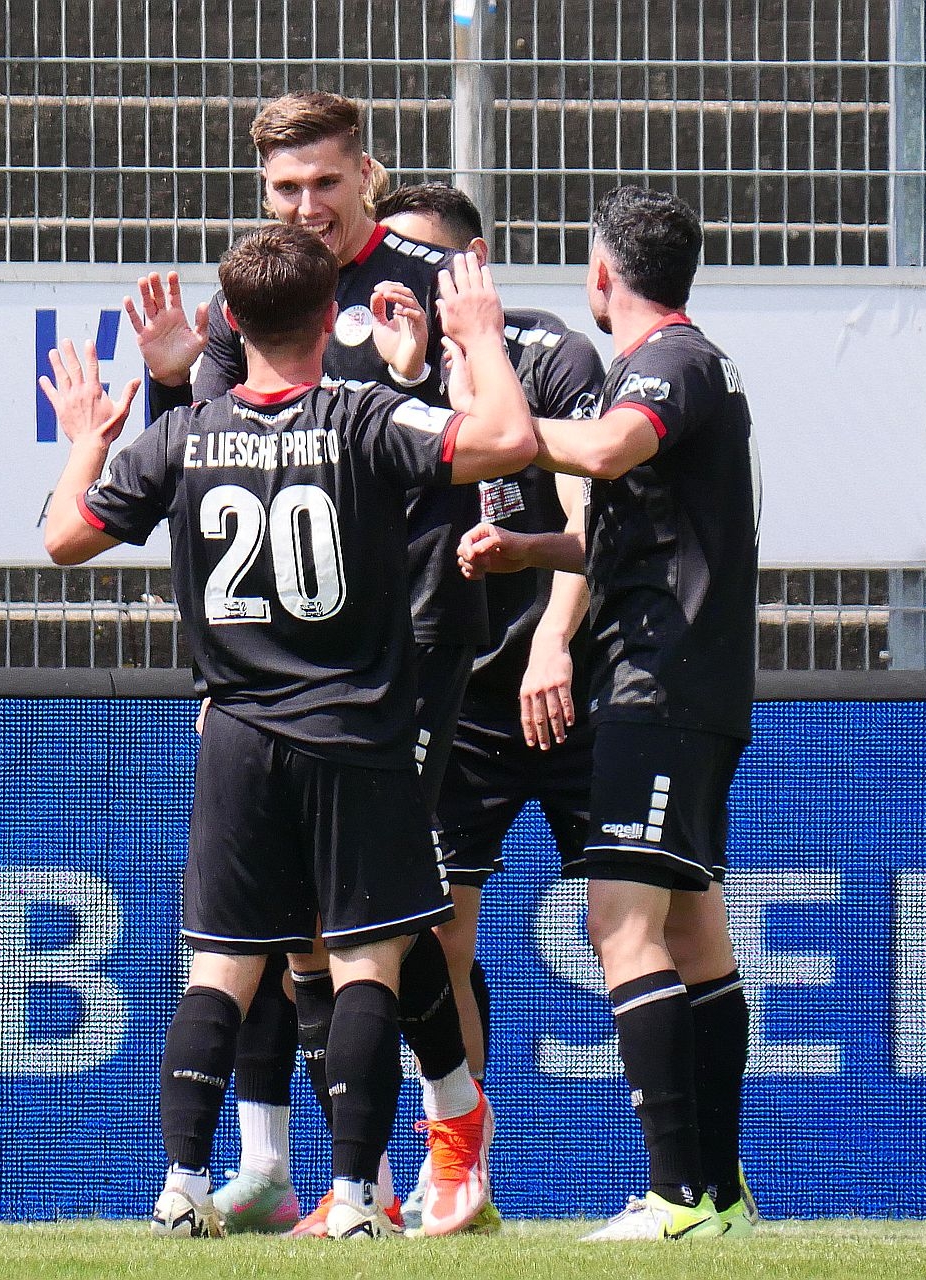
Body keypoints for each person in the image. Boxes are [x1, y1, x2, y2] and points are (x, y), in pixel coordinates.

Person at [45, 222, 534, 1240]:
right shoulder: (361, 417)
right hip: (354, 731)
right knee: (366, 963)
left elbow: (63, 537)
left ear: (230, 320)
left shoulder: (187, 435)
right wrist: (481, 338)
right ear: (330, 317)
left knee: (220, 968)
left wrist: (89, 433)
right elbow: (508, 440)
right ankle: (355, 1197)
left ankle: (182, 1186)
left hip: (235, 732)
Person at [130, 91, 492, 1237]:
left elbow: (483, 436)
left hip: (408, 639)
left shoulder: (423, 282)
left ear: (366, 174)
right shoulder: (258, 295)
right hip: (274, 663)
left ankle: (430, 1143)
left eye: (324, 182)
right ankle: (287, 1165)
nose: (305, 205)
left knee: (371, 919)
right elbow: (212, 454)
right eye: (285, 187)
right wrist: (169, 381)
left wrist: (425, 374)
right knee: (298, 923)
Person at [459, 186, 758, 1241]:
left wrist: (490, 415)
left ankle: (675, 1195)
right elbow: (629, 528)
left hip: (659, 683)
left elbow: (604, 452)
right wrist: (532, 548)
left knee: (619, 923)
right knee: (691, 928)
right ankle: (718, 1193)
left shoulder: (671, 362)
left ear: (602, 275)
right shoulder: (679, 363)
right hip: (677, 683)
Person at [371, 182, 607, 1231]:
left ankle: (692, 1178)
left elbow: (593, 514)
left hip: (574, 688)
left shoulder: (553, 356)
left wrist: (554, 638)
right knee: (441, 941)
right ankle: (454, 1165)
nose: (402, 284)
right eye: (391, 263)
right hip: (453, 706)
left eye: (424, 265)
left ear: (473, 268)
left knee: (628, 927)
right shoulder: (381, 368)